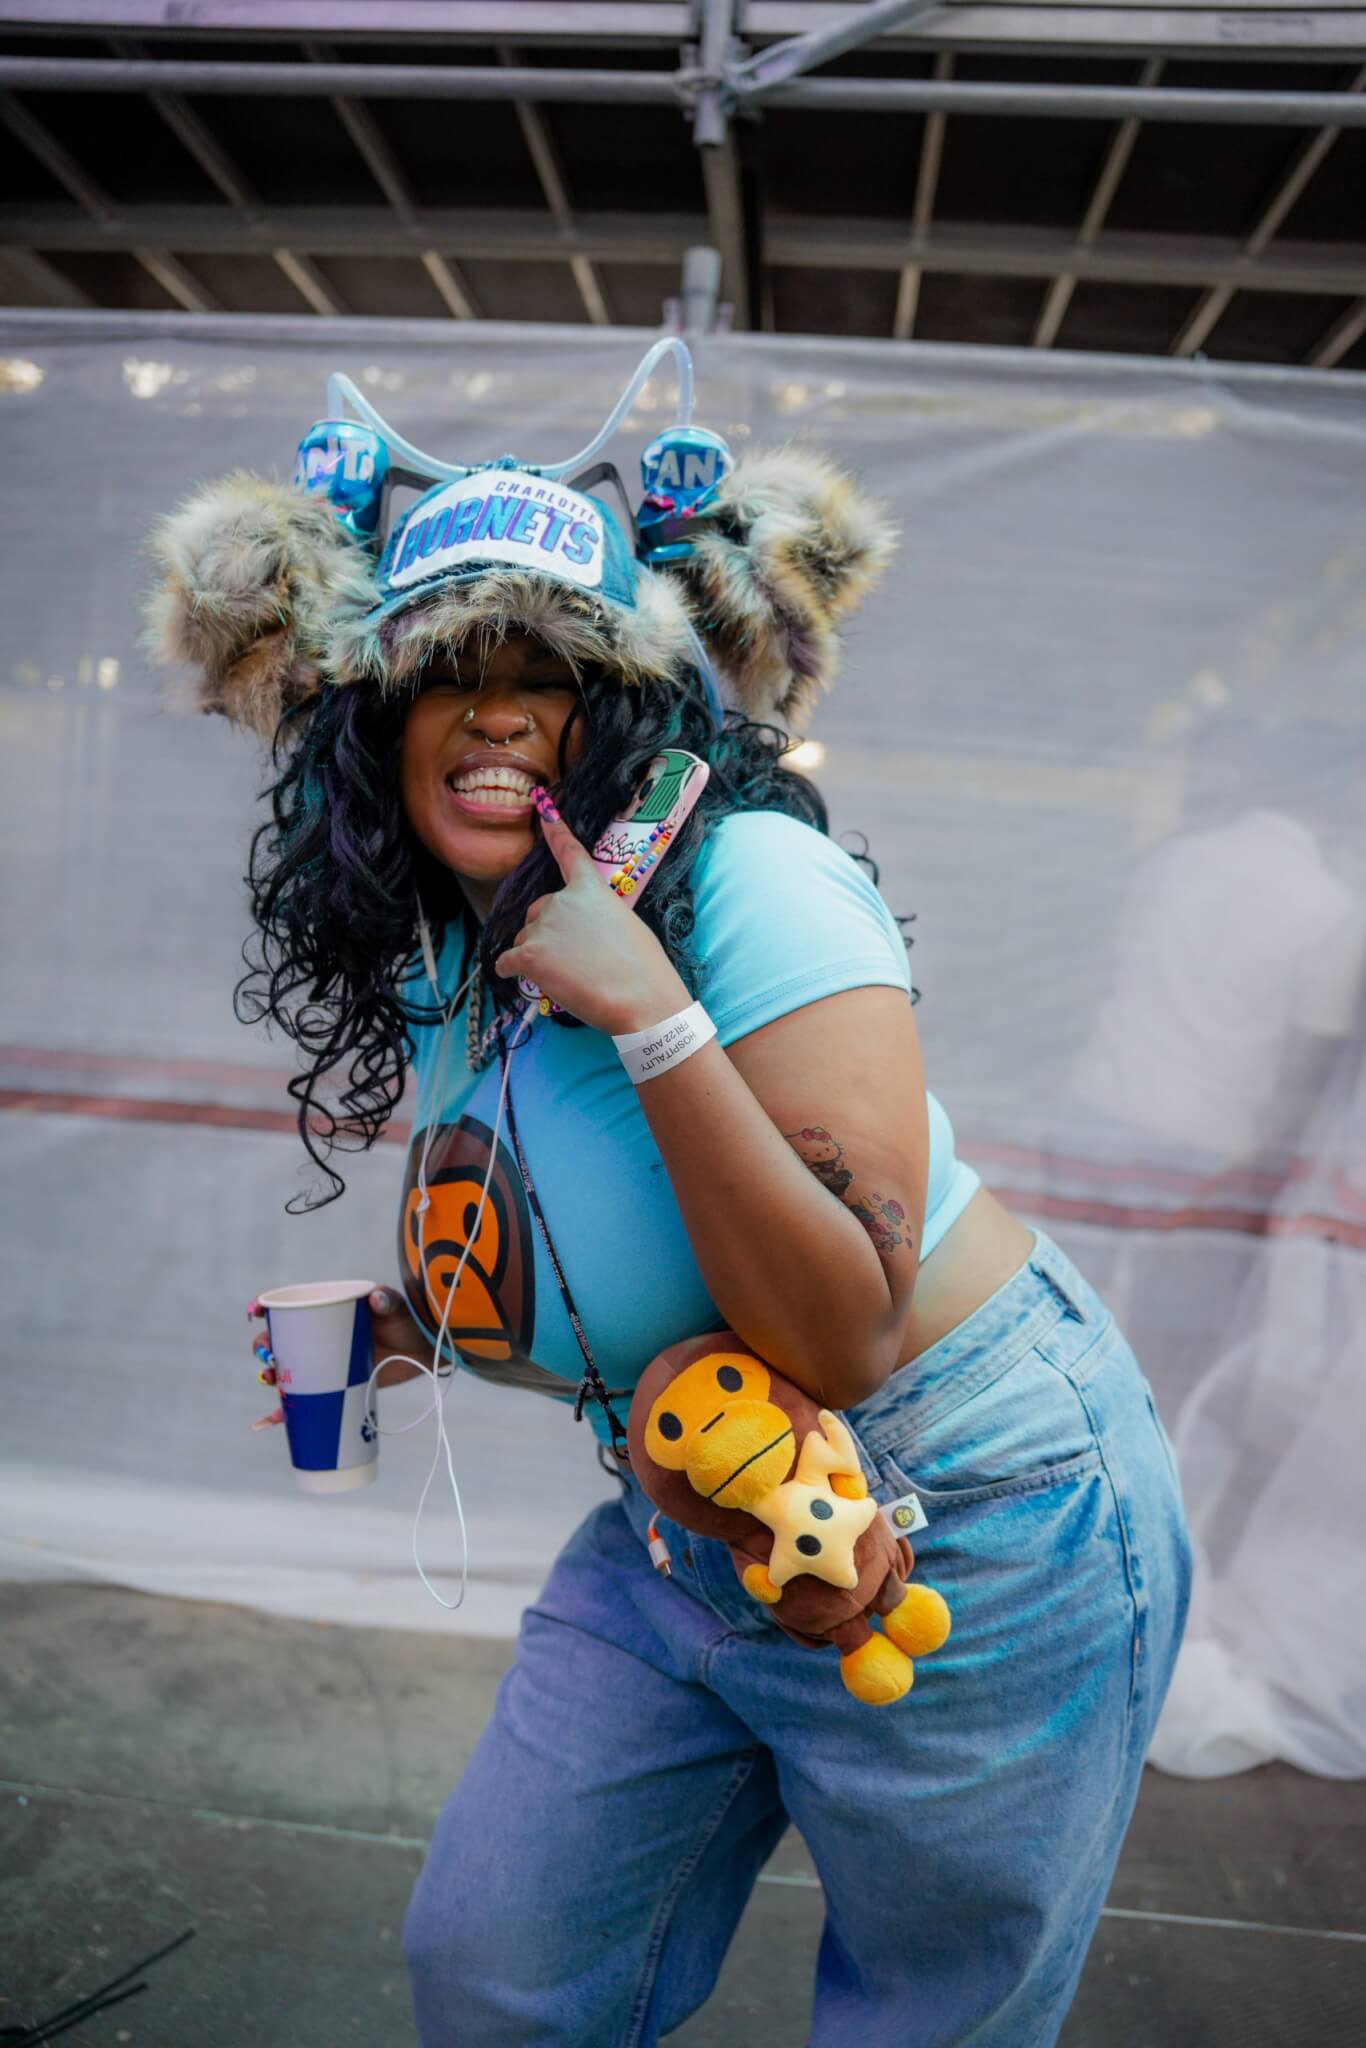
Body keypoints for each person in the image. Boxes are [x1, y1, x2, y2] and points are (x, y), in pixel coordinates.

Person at [148, 372, 1191, 2048]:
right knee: (497, 1963)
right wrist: (421, 1327)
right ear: (375, 717)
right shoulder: (450, 927)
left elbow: (839, 1329)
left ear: (623, 715)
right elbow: (573, 1203)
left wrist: (652, 1013)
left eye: (549, 677)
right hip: (686, 1488)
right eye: (445, 675)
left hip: (971, 1507)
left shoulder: (744, 883)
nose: (494, 716)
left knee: (927, 2020)